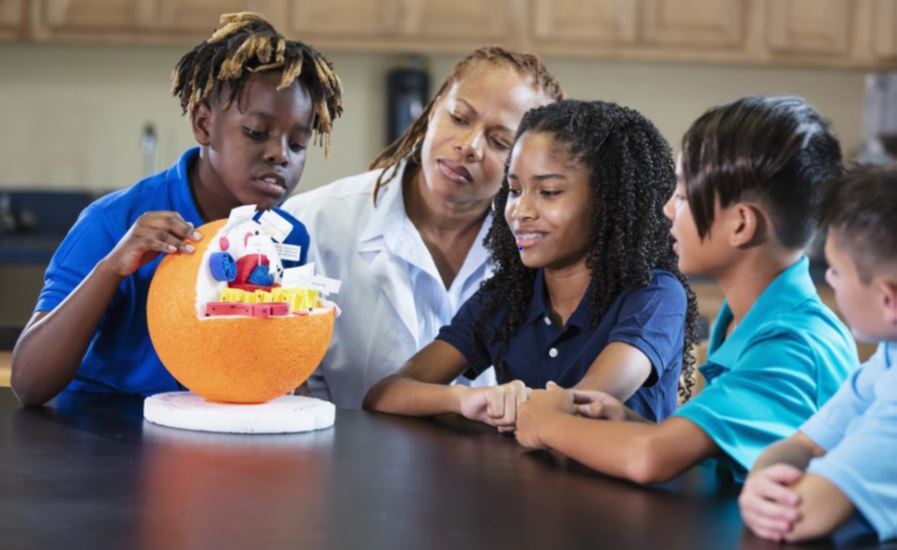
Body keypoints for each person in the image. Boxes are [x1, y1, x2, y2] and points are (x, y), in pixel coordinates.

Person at [514, 96, 857, 485]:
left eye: (682, 194)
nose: (667, 211)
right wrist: (629, 423)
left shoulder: (793, 347)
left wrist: (545, 422)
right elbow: (727, 461)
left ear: (741, 225)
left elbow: (650, 459)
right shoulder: (749, 321)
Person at [10, 12, 343, 406]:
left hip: (214, 442)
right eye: (256, 132)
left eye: (298, 144)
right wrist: (113, 268)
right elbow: (29, 383)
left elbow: (267, 366)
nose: (279, 154)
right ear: (203, 124)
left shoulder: (287, 239)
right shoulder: (112, 223)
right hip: (97, 439)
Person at [364, 100, 698, 428]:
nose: (520, 211)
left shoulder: (655, 295)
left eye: (549, 192)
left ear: (608, 202)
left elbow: (581, 409)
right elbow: (385, 394)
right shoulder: (508, 297)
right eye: (514, 189)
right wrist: (467, 399)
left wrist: (516, 406)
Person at [283, 47, 563, 409]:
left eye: (499, 142)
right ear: (432, 110)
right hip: (339, 460)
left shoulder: (544, 255)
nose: (469, 146)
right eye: (459, 118)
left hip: (489, 466)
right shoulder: (312, 222)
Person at [740, 166, 897, 544]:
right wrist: (762, 480)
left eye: (837, 272)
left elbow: (801, 513)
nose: (829, 280)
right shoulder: (888, 355)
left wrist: (758, 498)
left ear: (889, 300)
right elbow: (804, 444)